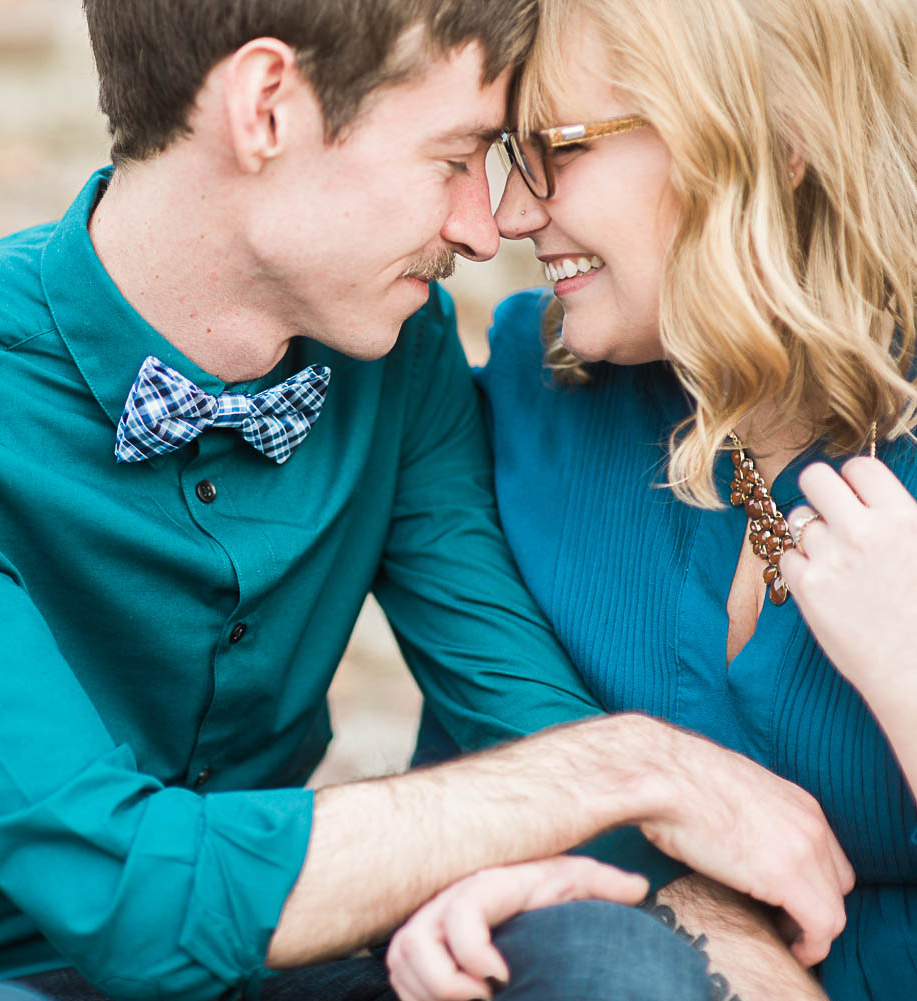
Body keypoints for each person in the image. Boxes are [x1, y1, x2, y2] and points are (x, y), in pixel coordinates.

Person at [0, 2, 855, 999]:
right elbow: (119, 891)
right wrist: (635, 761)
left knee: (611, 963)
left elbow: (527, 716)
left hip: (288, 954)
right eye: (456, 156)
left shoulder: (395, 353)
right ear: (267, 106)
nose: (485, 224)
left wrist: (703, 929)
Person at [387, 0, 917, 997]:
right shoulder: (526, 398)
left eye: (559, 148)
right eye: (509, 153)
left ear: (779, 132)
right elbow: (487, 781)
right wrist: (466, 893)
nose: (510, 214)